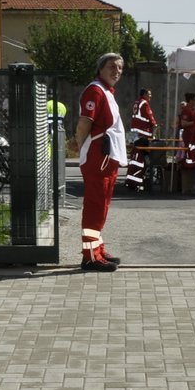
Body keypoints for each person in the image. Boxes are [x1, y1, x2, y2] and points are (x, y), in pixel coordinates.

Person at [72, 53, 129, 269]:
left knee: (102, 206)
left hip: (107, 157)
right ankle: (90, 257)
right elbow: (83, 124)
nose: (117, 71)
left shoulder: (105, 91)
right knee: (96, 206)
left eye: (120, 68)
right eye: (112, 67)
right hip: (99, 157)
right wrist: (84, 150)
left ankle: (98, 250)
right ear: (100, 69)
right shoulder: (95, 91)